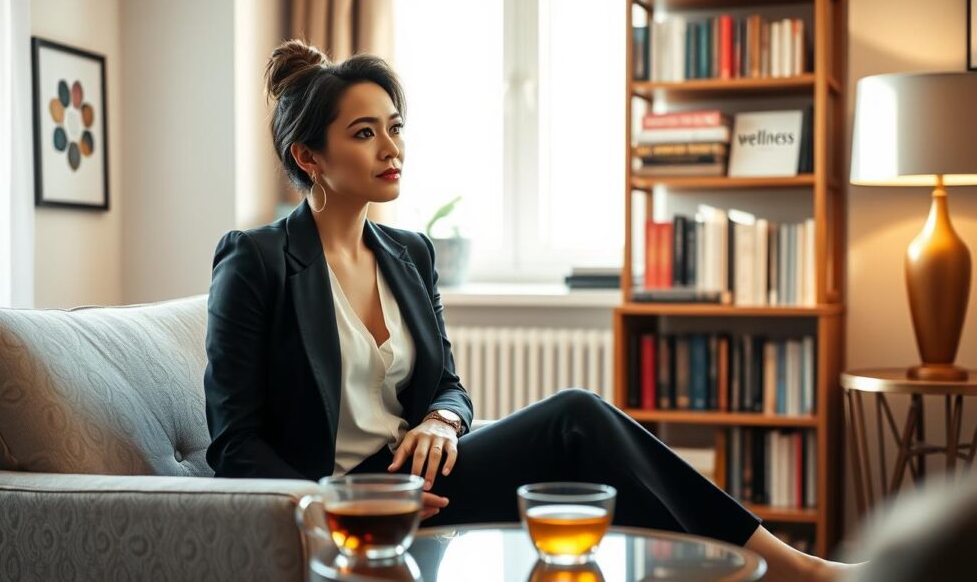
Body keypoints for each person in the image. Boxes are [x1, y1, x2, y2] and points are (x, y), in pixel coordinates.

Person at [203, 39, 857, 582]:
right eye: (365, 133)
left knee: (578, 420)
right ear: (308, 155)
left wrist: (440, 418)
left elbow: (450, 386)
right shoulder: (257, 260)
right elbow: (234, 442)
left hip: (420, 480)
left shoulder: (410, 253)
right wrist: (336, 498)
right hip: (346, 502)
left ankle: (779, 565)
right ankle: (780, 570)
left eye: (395, 128)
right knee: (576, 420)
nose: (391, 148)